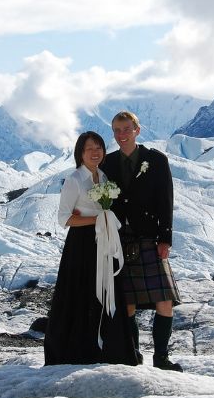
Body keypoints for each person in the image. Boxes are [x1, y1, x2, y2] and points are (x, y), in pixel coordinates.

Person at [44, 131, 139, 366]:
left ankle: (109, 350)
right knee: (81, 293)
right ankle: (78, 350)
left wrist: (103, 219)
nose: (95, 152)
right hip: (81, 245)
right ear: (80, 153)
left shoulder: (104, 177)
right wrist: (97, 219)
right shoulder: (74, 180)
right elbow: (64, 219)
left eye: (99, 147)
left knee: (107, 292)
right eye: (89, 148)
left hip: (103, 242)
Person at [101, 111, 183, 372]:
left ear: (137, 130)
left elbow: (165, 199)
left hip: (149, 236)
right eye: (117, 130)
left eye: (126, 129)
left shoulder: (156, 160)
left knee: (165, 299)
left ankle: (161, 357)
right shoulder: (107, 163)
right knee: (127, 302)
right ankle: (133, 354)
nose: (121, 135)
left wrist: (165, 238)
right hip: (118, 238)